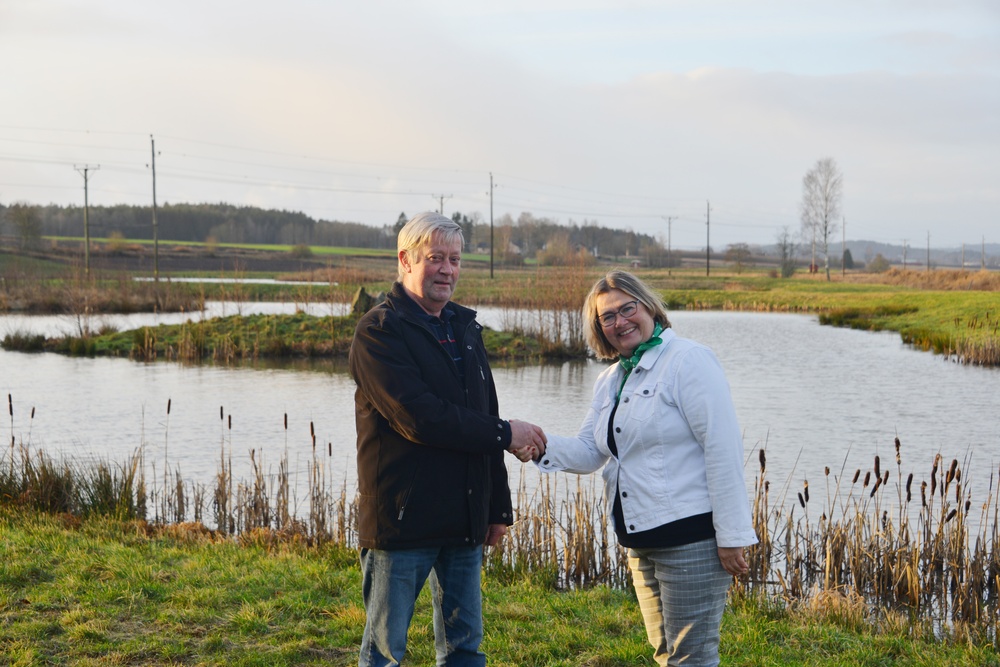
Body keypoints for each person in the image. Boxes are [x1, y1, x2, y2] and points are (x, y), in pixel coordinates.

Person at [517, 269, 757, 667]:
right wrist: (535, 443)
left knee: (691, 659)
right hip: (640, 540)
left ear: (649, 307)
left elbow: (722, 448)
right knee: (665, 654)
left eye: (627, 308)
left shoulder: (688, 361)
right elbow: (590, 451)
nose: (619, 322)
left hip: (690, 540)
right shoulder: (612, 378)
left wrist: (732, 535)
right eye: (606, 317)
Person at [349, 211, 546, 667]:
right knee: (384, 652)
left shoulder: (465, 327)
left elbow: (484, 415)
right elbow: (420, 418)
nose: (448, 270)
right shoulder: (379, 332)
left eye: (455, 260)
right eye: (436, 258)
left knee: (464, 648)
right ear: (405, 259)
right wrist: (505, 433)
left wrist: (495, 508)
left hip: (463, 521)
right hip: (402, 520)